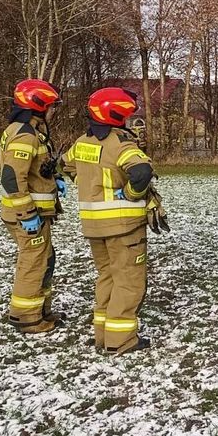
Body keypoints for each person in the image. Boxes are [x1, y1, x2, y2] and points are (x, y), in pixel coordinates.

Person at [59, 87, 156, 355]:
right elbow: (141, 172)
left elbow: (65, 164)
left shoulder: (82, 142)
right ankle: (121, 340)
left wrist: (83, 182)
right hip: (123, 226)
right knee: (129, 281)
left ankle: (102, 335)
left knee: (107, 277)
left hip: (93, 225)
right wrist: (129, 193)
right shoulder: (121, 144)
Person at [0, 79, 67, 334]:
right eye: (52, 106)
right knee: (34, 263)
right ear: (38, 106)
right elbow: (11, 177)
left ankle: (41, 310)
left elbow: (32, 170)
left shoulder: (29, 131)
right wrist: (27, 214)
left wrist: (54, 178)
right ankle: (26, 317)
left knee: (45, 259)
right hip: (27, 216)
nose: (54, 111)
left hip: (35, 214)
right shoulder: (25, 135)